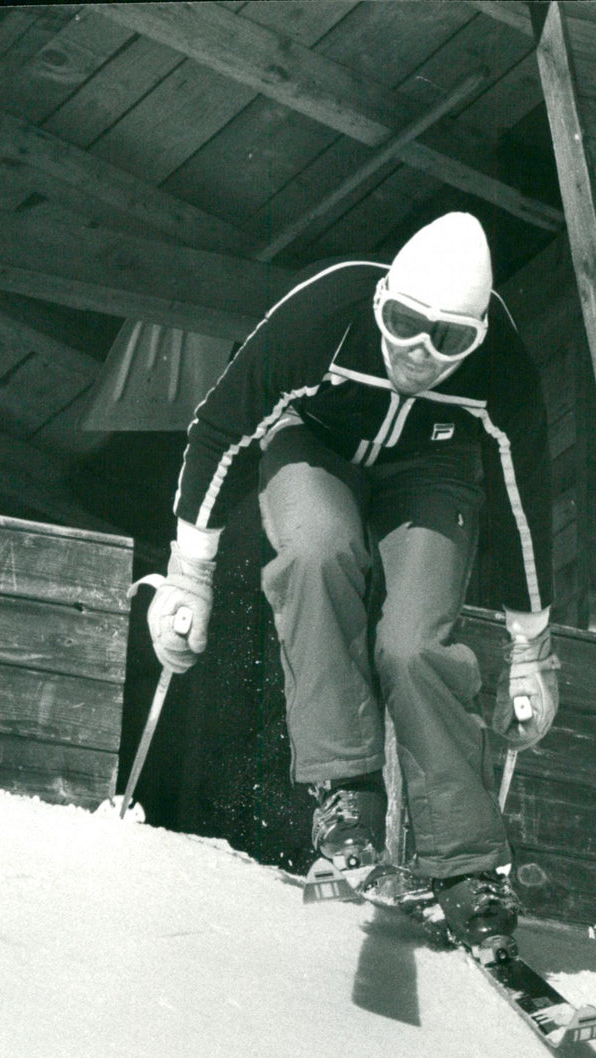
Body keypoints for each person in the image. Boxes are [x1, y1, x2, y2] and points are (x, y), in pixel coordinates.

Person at [147, 212, 559, 948]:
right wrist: (189, 577)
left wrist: (532, 651)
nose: (421, 354)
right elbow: (220, 429)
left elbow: (523, 500)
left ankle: (466, 868)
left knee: (412, 645)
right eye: (404, 324)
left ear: (476, 339)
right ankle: (348, 796)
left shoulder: (503, 371)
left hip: (431, 473)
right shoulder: (324, 315)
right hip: (316, 446)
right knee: (316, 552)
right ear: (382, 304)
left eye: (450, 339)